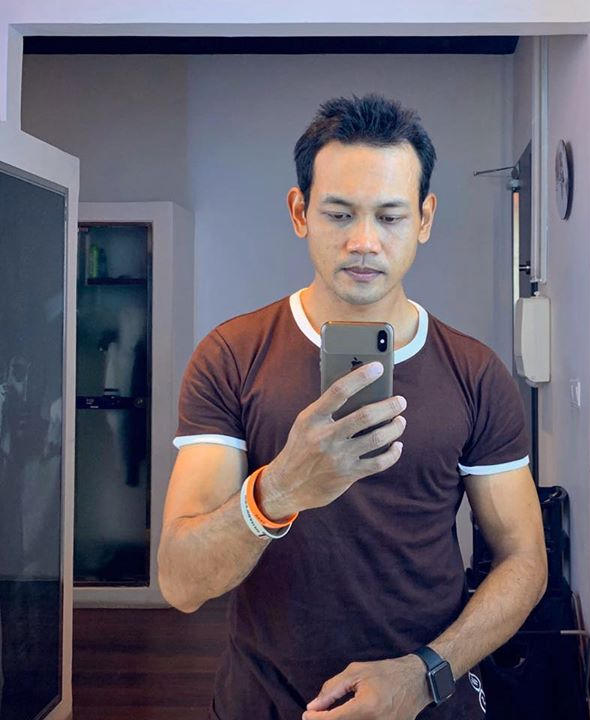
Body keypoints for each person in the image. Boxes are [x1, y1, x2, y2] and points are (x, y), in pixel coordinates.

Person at [158, 94, 548, 720]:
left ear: (424, 218)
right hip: (265, 701)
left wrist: (424, 674)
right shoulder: (231, 356)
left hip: (428, 701)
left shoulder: (475, 373)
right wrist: (278, 491)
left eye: (390, 217)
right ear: (300, 212)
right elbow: (180, 582)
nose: (364, 242)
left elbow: (524, 561)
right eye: (339, 214)